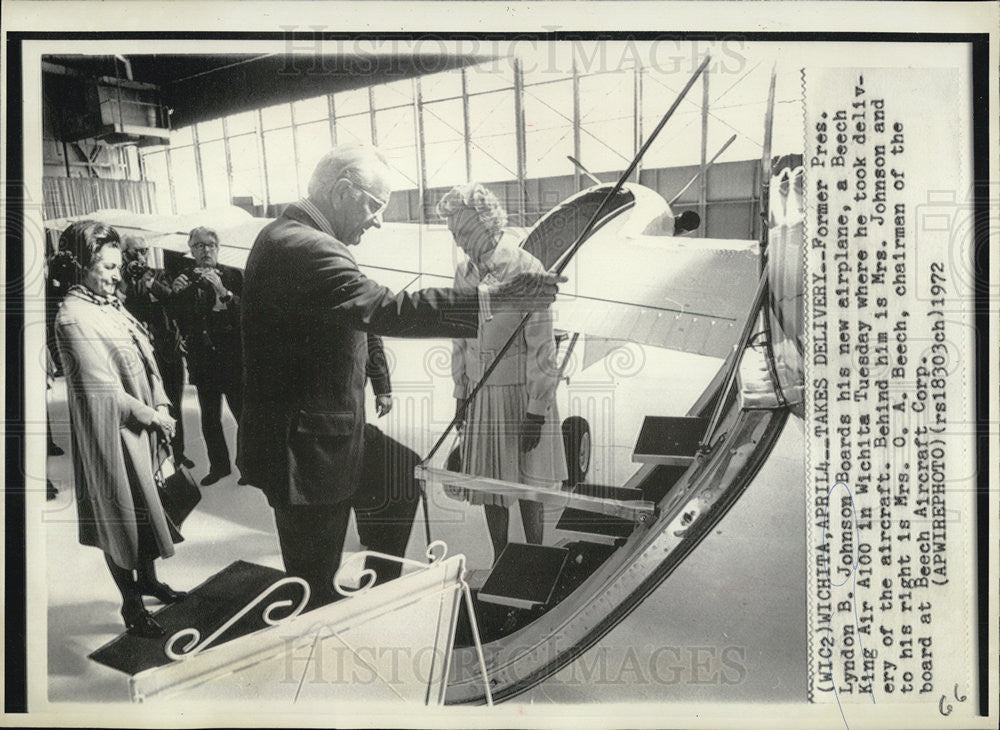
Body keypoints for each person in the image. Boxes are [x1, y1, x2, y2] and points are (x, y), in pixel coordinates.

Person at [238, 143, 564, 608]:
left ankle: (377, 594)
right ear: (344, 191)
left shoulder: (296, 237)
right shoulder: (303, 247)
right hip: (304, 450)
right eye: (374, 207)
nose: (378, 221)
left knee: (396, 474)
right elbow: (386, 308)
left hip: (323, 428)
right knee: (311, 579)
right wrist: (499, 298)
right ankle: (322, 620)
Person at [51, 220, 187, 638]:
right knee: (120, 518)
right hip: (111, 437)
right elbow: (102, 392)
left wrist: (161, 398)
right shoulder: (73, 318)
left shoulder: (108, 304)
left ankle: (147, 582)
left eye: (116, 266)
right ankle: (131, 605)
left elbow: (147, 352)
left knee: (145, 509)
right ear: (81, 268)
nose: (115, 275)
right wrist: (153, 415)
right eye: (106, 267)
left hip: (139, 428)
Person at [440, 182, 568, 564]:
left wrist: (536, 410)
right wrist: (461, 395)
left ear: (486, 222)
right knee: (489, 488)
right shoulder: (464, 273)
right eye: (454, 233)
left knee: (528, 486)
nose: (459, 241)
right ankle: (501, 559)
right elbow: (459, 339)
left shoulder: (527, 269)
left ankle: (534, 556)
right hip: (481, 396)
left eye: (463, 231)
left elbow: (543, 348)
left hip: (520, 395)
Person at [170, 227, 243, 485]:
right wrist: (175, 295)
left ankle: (248, 467)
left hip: (234, 361)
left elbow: (245, 316)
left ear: (218, 248)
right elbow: (179, 320)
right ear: (191, 250)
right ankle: (219, 466)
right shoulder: (183, 278)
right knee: (209, 418)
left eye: (211, 244)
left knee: (243, 415)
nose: (206, 250)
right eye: (199, 246)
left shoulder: (234, 276)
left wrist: (223, 291)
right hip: (203, 363)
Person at [119, 235, 193, 468]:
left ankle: (178, 453)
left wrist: (150, 282)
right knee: (147, 406)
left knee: (173, 404)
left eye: (143, 250)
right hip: (140, 354)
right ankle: (157, 457)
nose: (140, 256)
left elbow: (173, 301)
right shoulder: (120, 278)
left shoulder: (160, 274)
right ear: (124, 254)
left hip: (168, 349)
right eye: (134, 252)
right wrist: (127, 280)